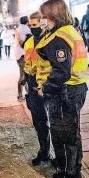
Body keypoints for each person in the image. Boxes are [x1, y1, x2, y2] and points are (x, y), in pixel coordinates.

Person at [35, 0, 88, 178]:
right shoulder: (70, 31)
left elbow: (61, 72)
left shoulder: (59, 37)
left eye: (44, 16)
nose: (42, 20)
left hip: (63, 92)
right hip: (75, 88)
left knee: (63, 137)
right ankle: (75, 172)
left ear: (52, 16)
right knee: (72, 133)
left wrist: (45, 88)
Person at [24, 12, 53, 166]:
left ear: (43, 24)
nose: (32, 28)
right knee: (39, 121)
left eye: (34, 25)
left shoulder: (52, 40)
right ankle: (44, 151)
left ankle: (59, 157)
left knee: (54, 121)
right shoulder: (29, 42)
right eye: (30, 25)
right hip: (34, 83)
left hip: (50, 83)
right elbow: (27, 65)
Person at [14, 16, 32, 100]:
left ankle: (27, 93)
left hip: (18, 54)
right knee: (23, 76)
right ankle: (20, 94)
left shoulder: (18, 29)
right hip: (23, 55)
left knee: (24, 75)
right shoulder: (27, 30)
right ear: (27, 21)